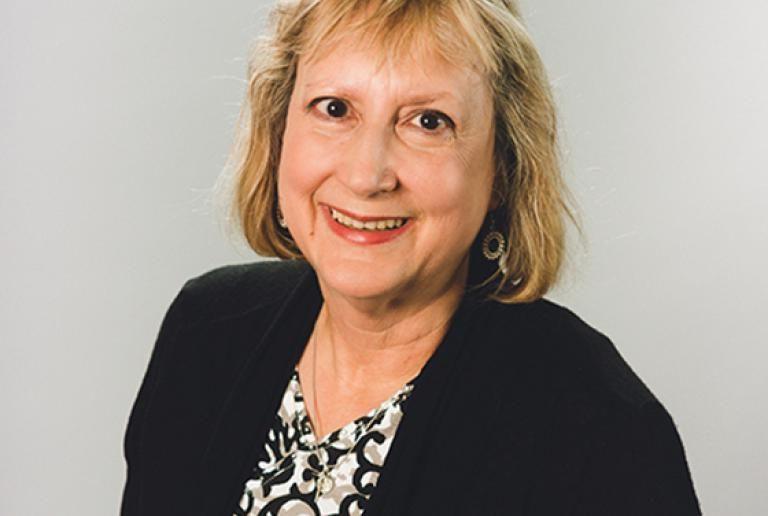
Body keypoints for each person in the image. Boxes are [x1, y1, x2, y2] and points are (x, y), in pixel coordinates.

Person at [120, 1, 702, 514]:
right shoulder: (205, 332)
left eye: (428, 122)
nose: (366, 174)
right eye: (334, 109)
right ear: (279, 130)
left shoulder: (596, 430)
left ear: (501, 169)